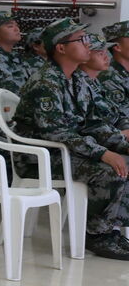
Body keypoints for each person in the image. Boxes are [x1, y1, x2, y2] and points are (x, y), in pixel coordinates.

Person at [15, 18, 129, 259]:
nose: (88, 44)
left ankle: (111, 228)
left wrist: (122, 145)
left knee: (125, 159)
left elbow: (93, 123)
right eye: (81, 39)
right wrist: (103, 153)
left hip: (69, 151)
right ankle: (97, 235)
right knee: (109, 171)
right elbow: (56, 132)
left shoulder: (78, 79)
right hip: (41, 158)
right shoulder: (46, 82)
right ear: (61, 48)